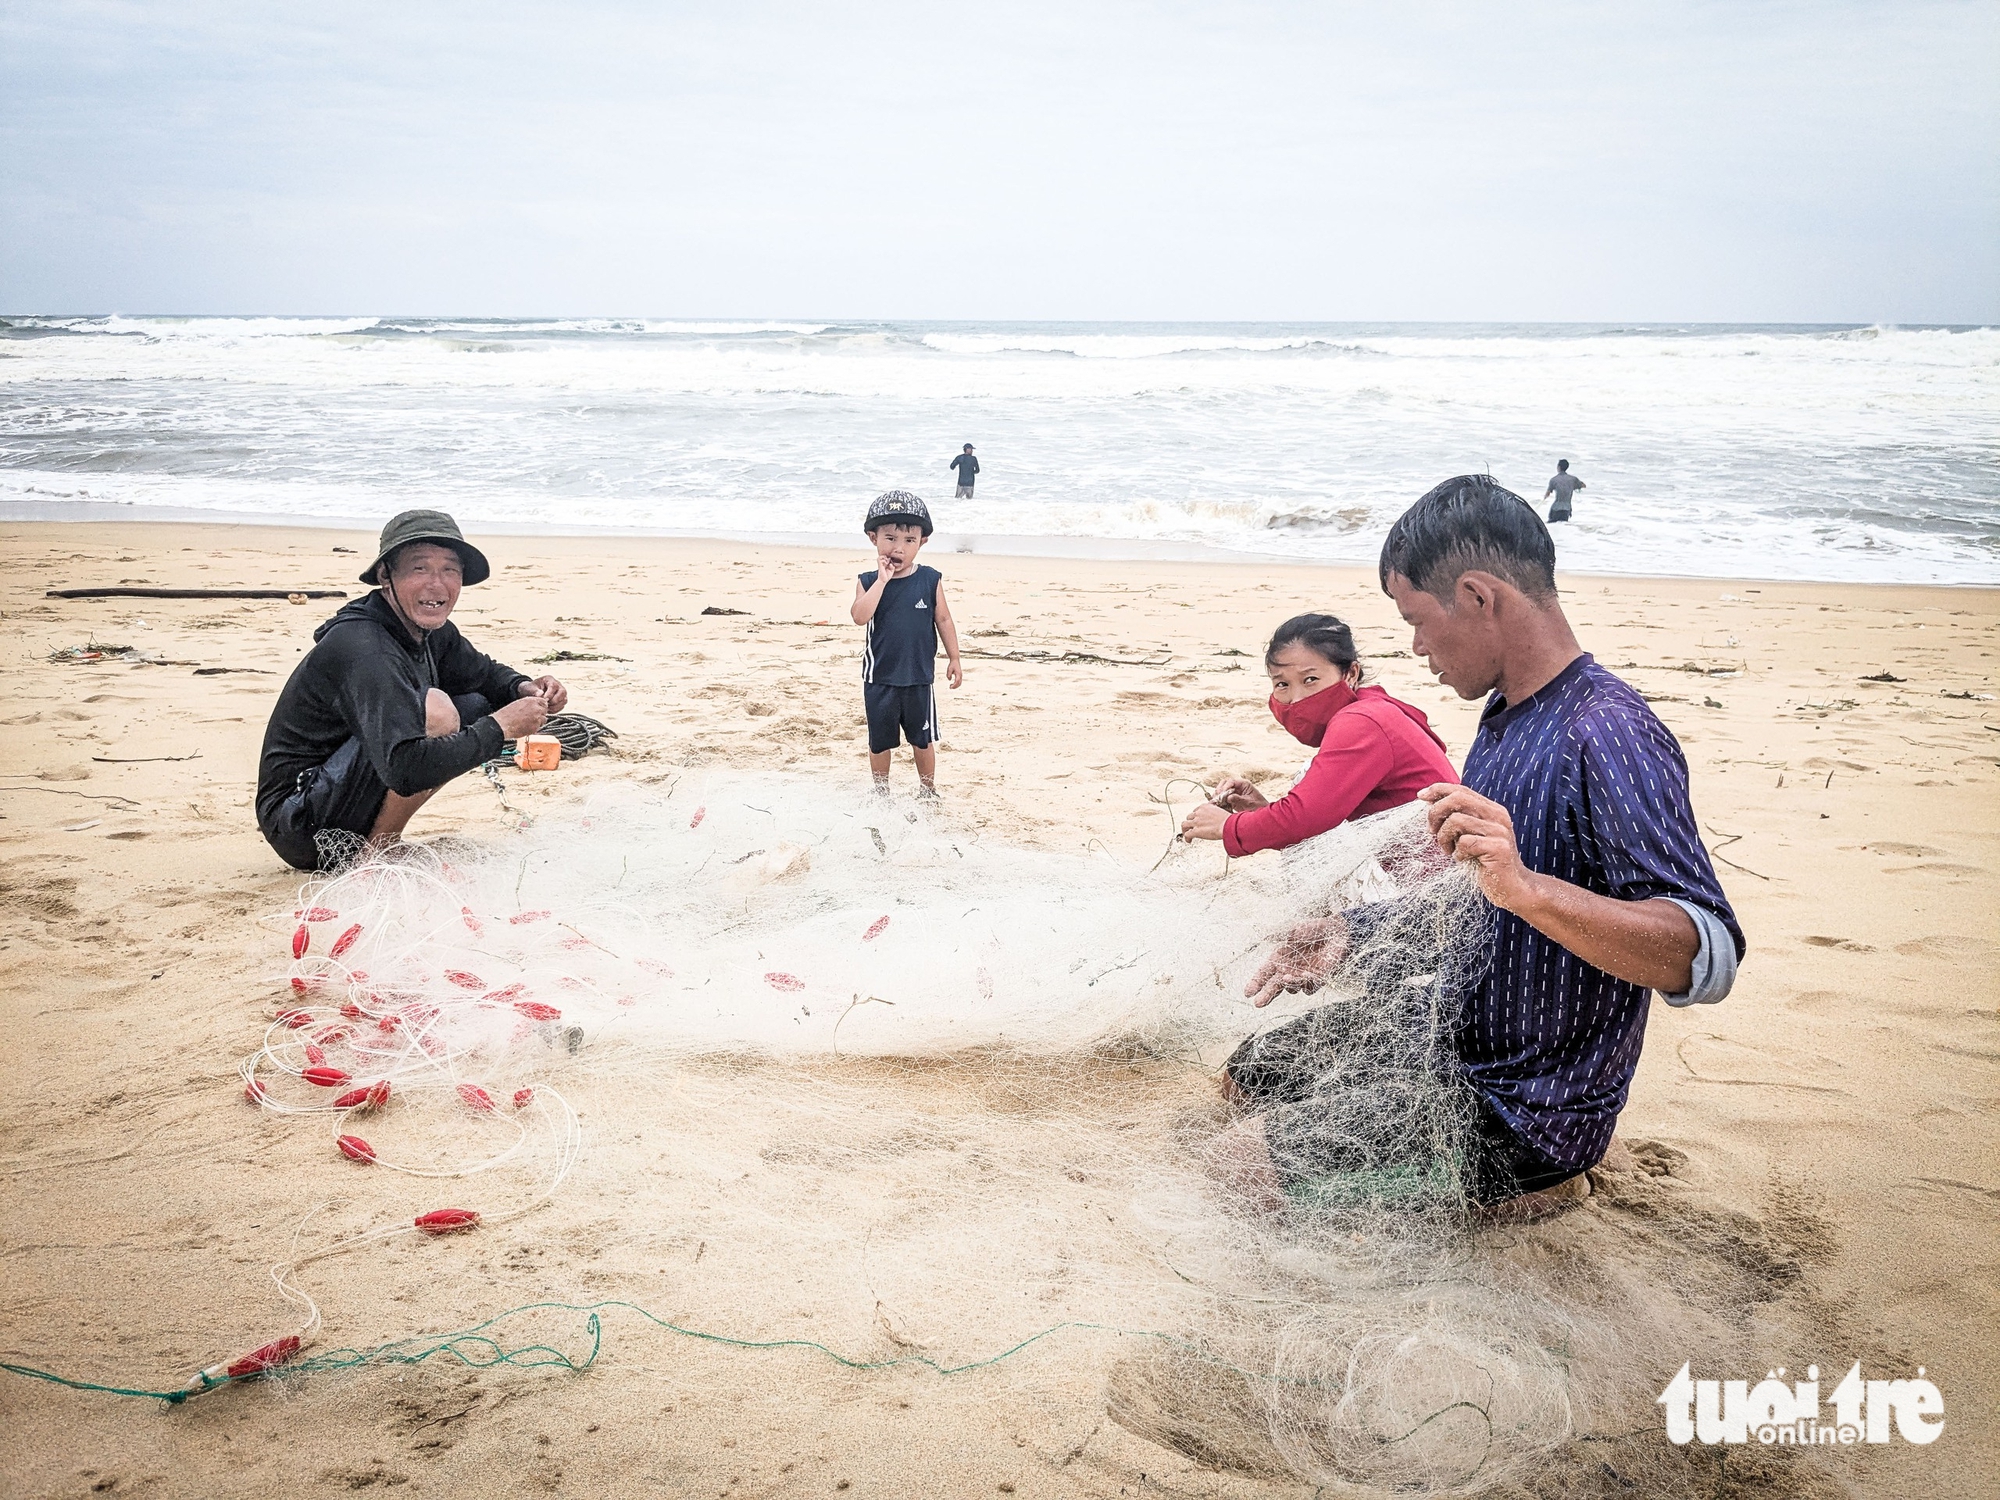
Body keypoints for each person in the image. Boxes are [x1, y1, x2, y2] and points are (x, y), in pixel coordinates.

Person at [1226, 474, 1743, 1210]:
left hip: (1526, 1103)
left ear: (1476, 596)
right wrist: (1353, 934)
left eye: (1416, 619)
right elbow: (1479, 903)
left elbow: (1704, 955)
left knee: (1241, 1169)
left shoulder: (1607, 731)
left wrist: (1526, 887)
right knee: (1247, 1077)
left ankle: (1550, 1184)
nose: (1416, 646)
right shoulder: (1505, 715)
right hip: (1450, 1029)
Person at [256, 510, 564, 870]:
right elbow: (405, 770)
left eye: (450, 570)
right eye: (420, 568)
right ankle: (378, 852)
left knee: (475, 703)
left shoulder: (428, 630)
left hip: (337, 796)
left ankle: (376, 842)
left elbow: (482, 675)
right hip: (300, 822)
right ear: (385, 576)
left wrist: (524, 687)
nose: (437, 584)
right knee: (437, 712)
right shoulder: (365, 647)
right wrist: (502, 728)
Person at [1179, 613, 1456, 856]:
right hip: (1416, 858)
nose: (1297, 698)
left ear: (1350, 674)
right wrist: (1260, 811)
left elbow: (1306, 818)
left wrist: (1227, 826)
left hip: (1430, 876)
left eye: (1310, 680)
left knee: (1304, 775)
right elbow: (1315, 820)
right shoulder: (1371, 708)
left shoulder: (1362, 721)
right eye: (1282, 684)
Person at [850, 491, 963, 795]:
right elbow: (859, 616)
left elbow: (944, 619)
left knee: (922, 740)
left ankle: (928, 789)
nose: (898, 548)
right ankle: (881, 790)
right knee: (879, 741)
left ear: (922, 542)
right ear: (873, 538)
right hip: (879, 678)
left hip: (918, 678)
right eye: (890, 538)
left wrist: (954, 657)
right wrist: (882, 581)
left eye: (909, 540)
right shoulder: (868, 581)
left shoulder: (929, 579)